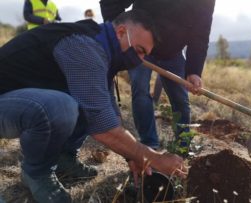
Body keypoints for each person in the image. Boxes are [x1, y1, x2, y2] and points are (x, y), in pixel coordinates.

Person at [0, 10, 187, 203]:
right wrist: (153, 157)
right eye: (139, 50)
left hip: (20, 101)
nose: (139, 60)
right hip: (5, 101)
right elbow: (103, 127)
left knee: (86, 100)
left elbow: (109, 114)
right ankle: (36, 172)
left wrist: (132, 156)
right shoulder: (84, 46)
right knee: (61, 106)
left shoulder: (103, 50)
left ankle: (65, 157)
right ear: (121, 32)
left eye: (144, 55)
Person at [100, 0, 215, 149]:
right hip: (140, 47)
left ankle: (183, 145)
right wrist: (118, 33)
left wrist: (194, 71)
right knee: (141, 92)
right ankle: (149, 145)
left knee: (180, 98)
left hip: (172, 51)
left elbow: (200, 33)